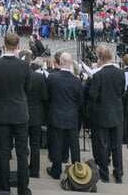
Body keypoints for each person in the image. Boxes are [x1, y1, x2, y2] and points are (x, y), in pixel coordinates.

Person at [0, 31, 31, 195]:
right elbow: (27, 89)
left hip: (2, 113)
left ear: (4, 45)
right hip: (20, 113)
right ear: (17, 46)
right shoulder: (25, 65)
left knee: (3, 152)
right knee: (22, 153)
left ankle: (4, 187)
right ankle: (23, 188)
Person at [87, 44, 124, 184]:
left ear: (99, 58)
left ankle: (104, 173)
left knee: (102, 144)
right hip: (117, 113)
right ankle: (118, 172)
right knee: (117, 145)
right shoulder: (120, 73)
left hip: (102, 114)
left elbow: (93, 95)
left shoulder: (98, 75)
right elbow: (121, 92)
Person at [45, 51, 83, 179]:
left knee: (56, 144)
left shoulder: (52, 78)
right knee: (74, 145)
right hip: (71, 115)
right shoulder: (77, 81)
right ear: (71, 63)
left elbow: (47, 96)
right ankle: (77, 170)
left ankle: (56, 170)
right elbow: (80, 100)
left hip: (56, 114)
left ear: (60, 62)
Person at [23, 50, 49, 179]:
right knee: (35, 145)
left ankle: (22, 169)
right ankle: (34, 170)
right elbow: (45, 96)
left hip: (22, 114)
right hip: (36, 114)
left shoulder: (20, 76)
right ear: (31, 60)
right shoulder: (39, 77)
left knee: (22, 145)